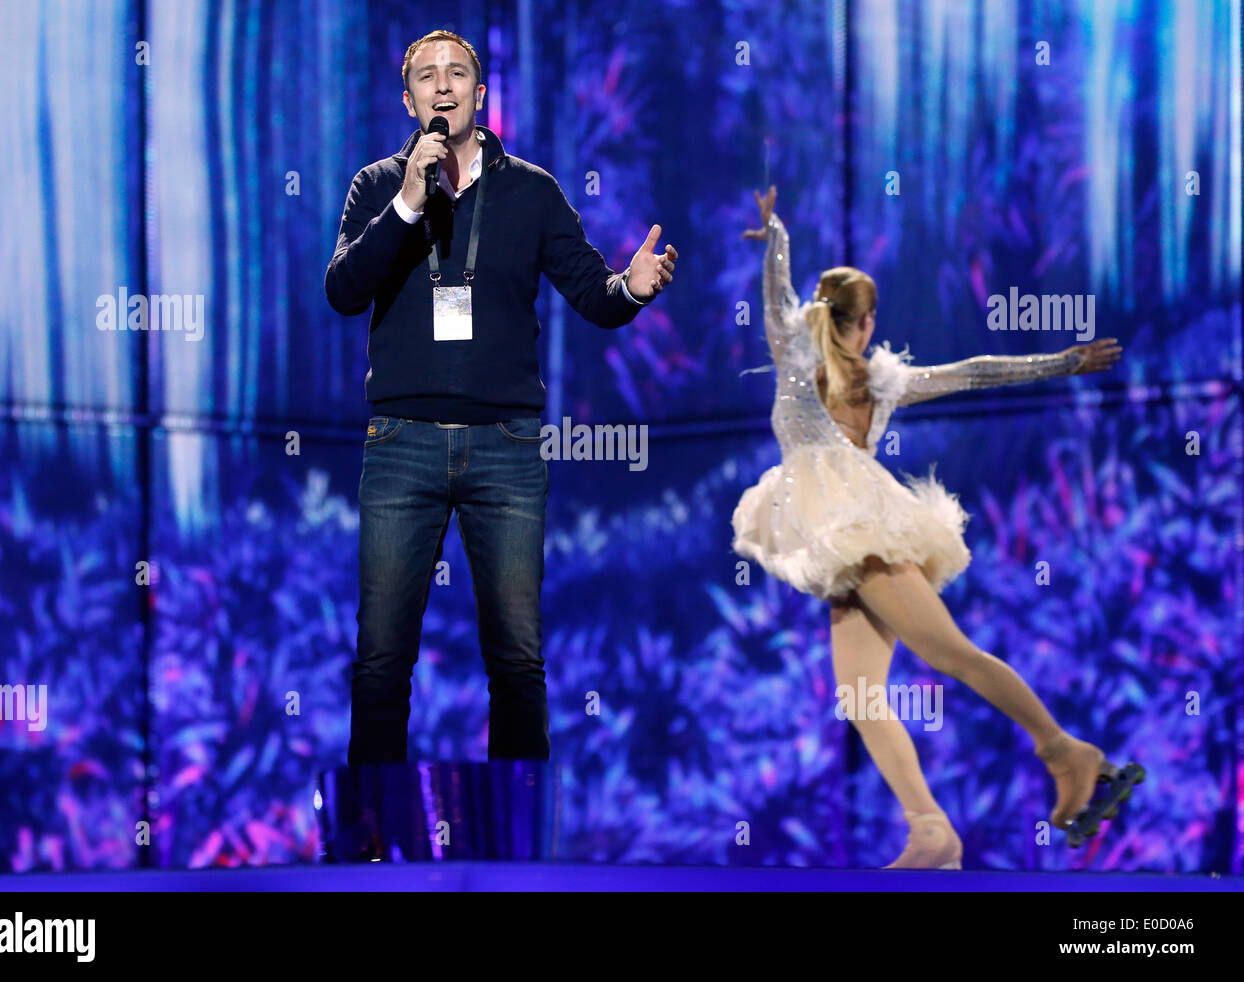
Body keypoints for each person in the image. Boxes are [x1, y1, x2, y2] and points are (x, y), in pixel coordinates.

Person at [735, 185, 1140, 868]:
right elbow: (977, 373)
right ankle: (930, 829)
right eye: (870, 321)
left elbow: (777, 298)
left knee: (951, 654)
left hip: (860, 533)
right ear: (860, 324)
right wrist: (1062, 362)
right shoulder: (825, 372)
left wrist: (776, 235)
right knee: (861, 696)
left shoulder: (816, 367)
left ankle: (1065, 751)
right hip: (845, 542)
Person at [324, 30, 678, 770]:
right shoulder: (377, 185)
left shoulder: (533, 191)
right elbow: (343, 290)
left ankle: (519, 851)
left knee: (517, 663)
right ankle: (371, 850)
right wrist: (409, 202)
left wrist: (632, 290)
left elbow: (594, 292)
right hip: (402, 445)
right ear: (409, 99)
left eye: (458, 74)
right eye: (427, 77)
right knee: (382, 660)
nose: (443, 86)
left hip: (506, 452)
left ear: (480, 95)